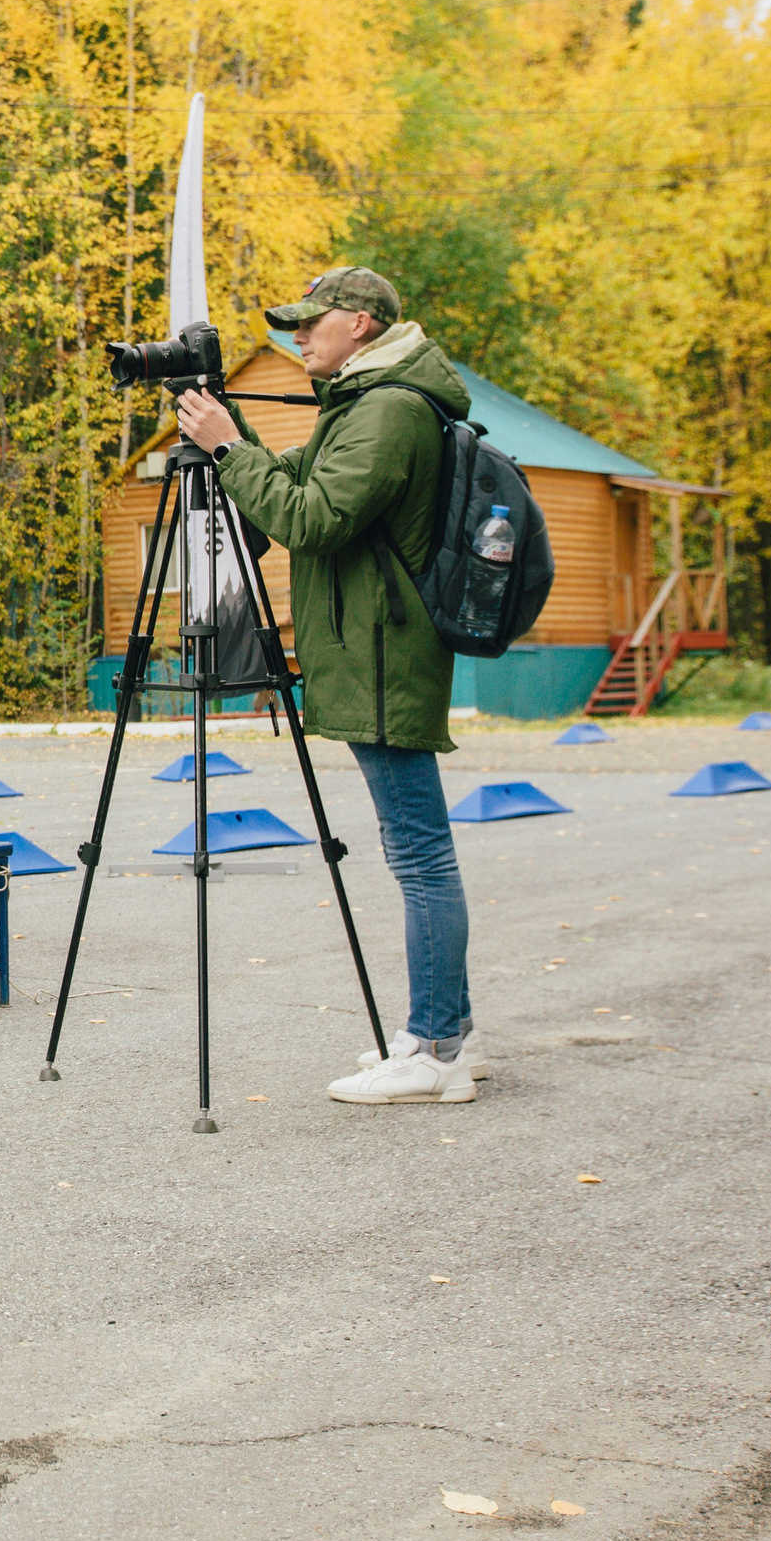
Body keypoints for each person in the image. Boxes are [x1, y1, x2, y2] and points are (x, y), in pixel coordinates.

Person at [175, 266, 483, 1105]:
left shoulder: (388, 409)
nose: (299, 336)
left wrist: (225, 447)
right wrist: (225, 422)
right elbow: (290, 487)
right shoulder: (366, 400)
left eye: (312, 323)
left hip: (384, 652)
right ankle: (444, 1028)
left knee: (419, 852)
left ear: (360, 323)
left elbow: (310, 519)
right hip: (373, 647)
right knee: (415, 847)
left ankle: (438, 1051)